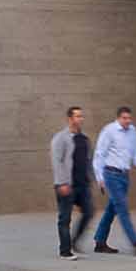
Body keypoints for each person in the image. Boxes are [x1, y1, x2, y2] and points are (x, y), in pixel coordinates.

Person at [91, 105, 136, 256]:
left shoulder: (132, 131)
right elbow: (99, 154)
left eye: (129, 118)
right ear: (118, 118)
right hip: (111, 174)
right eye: (124, 118)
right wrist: (99, 177)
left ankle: (100, 241)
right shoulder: (109, 131)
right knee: (122, 209)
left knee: (111, 210)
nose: (128, 121)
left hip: (124, 175)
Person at [50, 104, 94, 258]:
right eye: (77, 116)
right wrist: (62, 183)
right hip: (66, 185)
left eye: (81, 116)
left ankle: (74, 241)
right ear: (70, 119)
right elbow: (57, 161)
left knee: (89, 212)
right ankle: (65, 251)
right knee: (65, 218)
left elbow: (89, 160)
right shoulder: (60, 138)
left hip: (82, 184)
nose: (80, 119)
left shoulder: (84, 138)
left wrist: (91, 178)